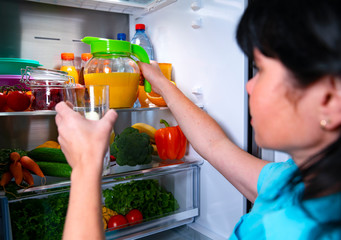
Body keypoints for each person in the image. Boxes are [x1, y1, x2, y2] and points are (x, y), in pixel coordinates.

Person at [56, 0, 341, 239]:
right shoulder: (296, 181)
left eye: (263, 71)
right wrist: (163, 85)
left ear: (329, 99)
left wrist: (85, 169)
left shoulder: (303, 230)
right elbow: (215, 145)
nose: (249, 86)